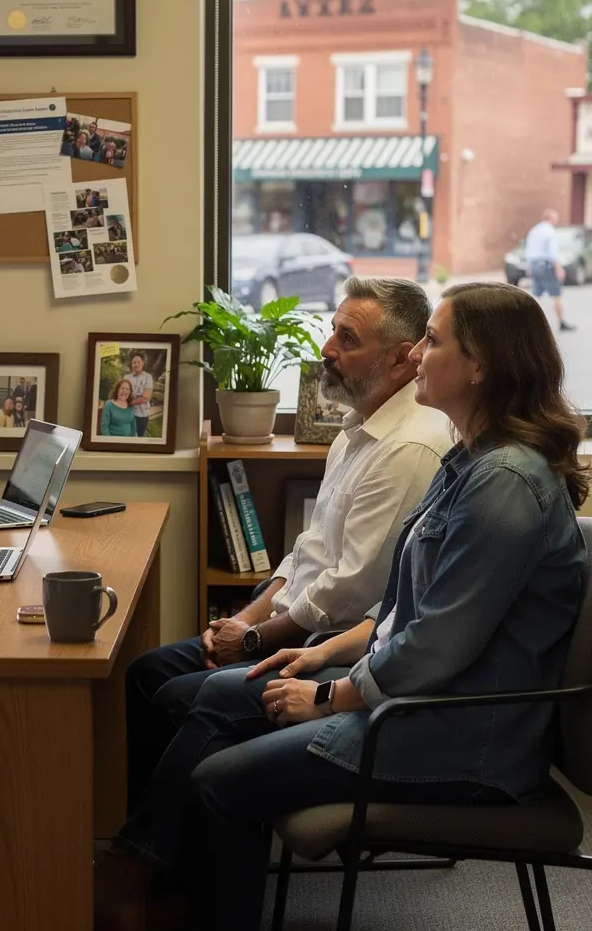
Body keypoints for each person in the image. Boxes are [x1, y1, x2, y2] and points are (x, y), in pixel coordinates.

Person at [97, 282, 590, 931]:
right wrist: (326, 653)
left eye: (434, 343)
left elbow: (437, 644)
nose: (418, 357)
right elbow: (402, 606)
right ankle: (161, 882)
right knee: (214, 700)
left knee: (219, 781)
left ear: (480, 368)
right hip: (420, 704)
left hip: (460, 738)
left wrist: (330, 697)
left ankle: (147, 879)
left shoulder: (502, 483)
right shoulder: (472, 460)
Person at [123, 278, 453, 808]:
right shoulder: (354, 431)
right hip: (294, 623)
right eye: (333, 331)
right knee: (147, 675)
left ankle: (157, 855)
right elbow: (306, 550)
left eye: (348, 339)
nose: (326, 348)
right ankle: (165, 850)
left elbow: (348, 591)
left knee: (184, 695)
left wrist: (253, 640)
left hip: (334, 645)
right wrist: (248, 621)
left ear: (398, 360)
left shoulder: (410, 447)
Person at [525, 208, 574, 332]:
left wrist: (530, 267)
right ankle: (561, 321)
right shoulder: (550, 232)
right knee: (556, 294)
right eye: (556, 218)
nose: (557, 220)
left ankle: (527, 320)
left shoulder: (534, 230)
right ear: (551, 219)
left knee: (536, 294)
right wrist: (559, 268)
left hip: (535, 265)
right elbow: (552, 254)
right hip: (547, 266)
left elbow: (529, 250)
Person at [125, 353, 155, 438]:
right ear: (131, 364)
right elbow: (123, 395)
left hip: (142, 415)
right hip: (127, 414)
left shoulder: (148, 377)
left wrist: (130, 402)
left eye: (138, 362)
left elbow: (146, 397)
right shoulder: (126, 378)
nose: (136, 364)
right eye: (134, 362)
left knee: (140, 438)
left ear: (142, 363)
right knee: (127, 436)